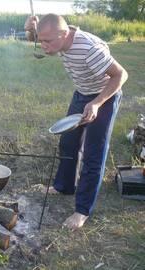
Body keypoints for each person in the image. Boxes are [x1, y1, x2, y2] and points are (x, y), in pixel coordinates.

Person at [24, 14, 128, 230]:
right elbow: (41, 37)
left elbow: (120, 75)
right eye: (40, 40)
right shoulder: (55, 35)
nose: (43, 46)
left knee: (93, 153)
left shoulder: (89, 49)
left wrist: (98, 103)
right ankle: (64, 186)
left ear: (64, 35)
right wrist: (29, 30)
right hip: (82, 93)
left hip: (104, 96)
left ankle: (82, 210)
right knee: (69, 142)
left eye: (47, 42)